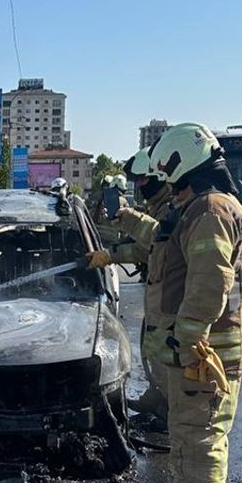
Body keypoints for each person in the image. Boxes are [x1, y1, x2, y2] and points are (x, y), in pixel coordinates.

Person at [140, 122, 242, 483]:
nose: (170, 189)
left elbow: (209, 283)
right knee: (190, 437)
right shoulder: (205, 207)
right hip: (201, 352)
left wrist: (188, 339)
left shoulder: (209, 210)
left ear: (184, 167)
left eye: (172, 179)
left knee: (200, 440)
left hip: (204, 354)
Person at [85, 146, 172, 429]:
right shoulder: (158, 204)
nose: (139, 186)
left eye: (143, 180)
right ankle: (157, 397)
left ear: (159, 176)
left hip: (170, 293)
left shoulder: (172, 207)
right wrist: (110, 253)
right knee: (152, 346)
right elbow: (146, 247)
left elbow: (158, 244)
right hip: (158, 289)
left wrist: (113, 253)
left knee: (165, 352)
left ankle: (168, 412)